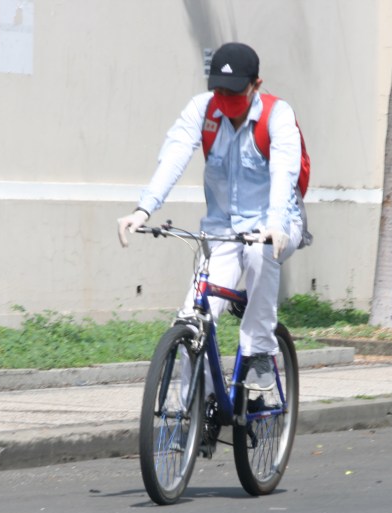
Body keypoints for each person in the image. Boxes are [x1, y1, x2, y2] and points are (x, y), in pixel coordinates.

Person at [116, 42, 305, 391]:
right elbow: (174, 156)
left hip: (277, 225)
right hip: (222, 231)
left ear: (256, 85)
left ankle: (260, 351)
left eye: (234, 92)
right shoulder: (203, 111)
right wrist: (143, 210)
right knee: (191, 322)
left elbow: (284, 172)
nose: (225, 99)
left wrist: (275, 223)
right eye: (218, 90)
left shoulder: (277, 116)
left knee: (259, 252)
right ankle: (197, 416)